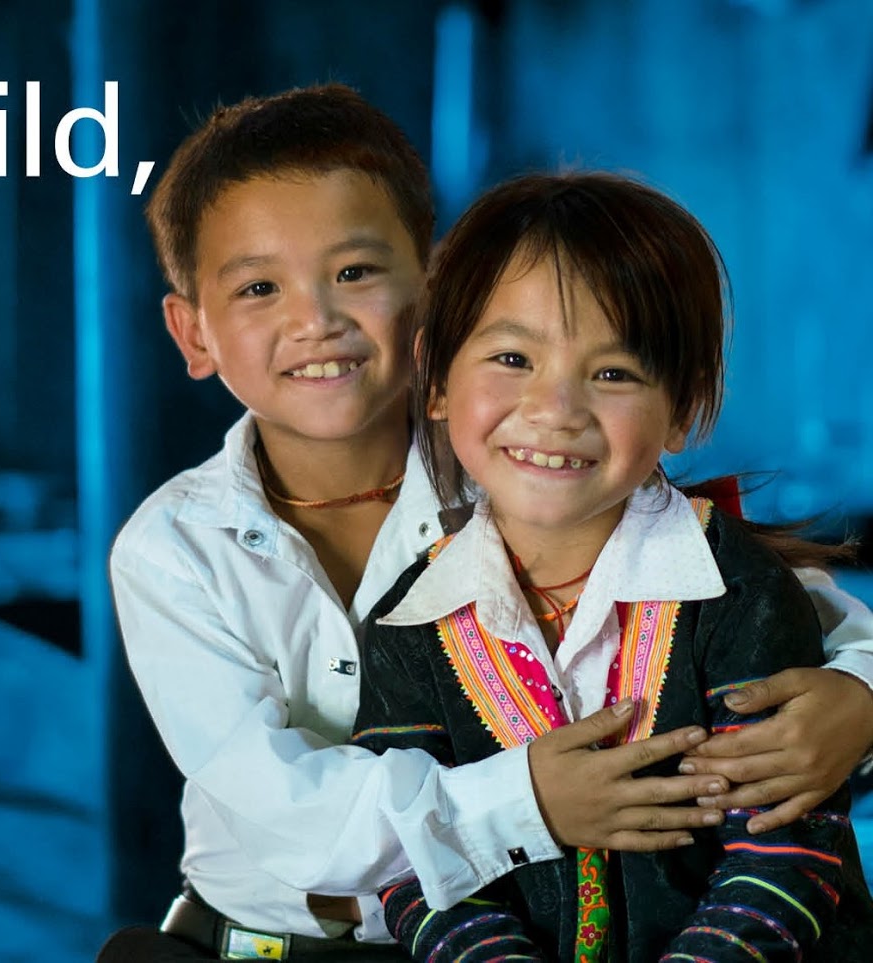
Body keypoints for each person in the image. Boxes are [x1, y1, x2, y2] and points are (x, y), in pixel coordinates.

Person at [100, 83, 873, 961]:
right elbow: (286, 811)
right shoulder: (174, 549)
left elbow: (783, 610)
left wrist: (860, 700)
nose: (315, 319)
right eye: (259, 287)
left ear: (433, 293)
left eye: (355, 272)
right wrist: (530, 800)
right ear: (193, 333)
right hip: (264, 942)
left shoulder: (528, 460)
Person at [351, 170, 873, 960]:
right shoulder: (409, 618)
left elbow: (780, 858)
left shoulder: (741, 595)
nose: (556, 409)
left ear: (685, 405)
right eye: (512, 357)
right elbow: (417, 871)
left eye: (613, 373)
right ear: (437, 380)